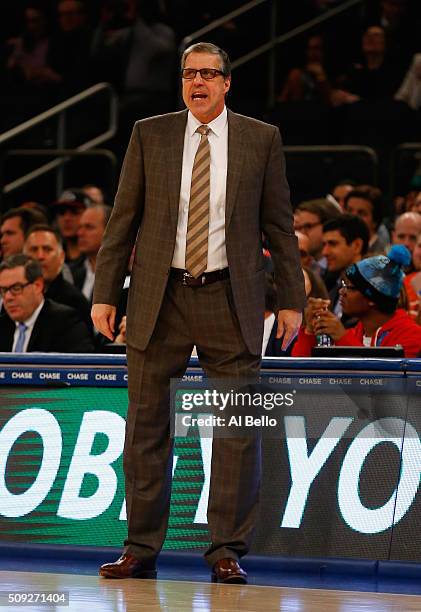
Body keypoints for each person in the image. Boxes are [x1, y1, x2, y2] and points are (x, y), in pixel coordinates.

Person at [92, 41, 305, 584]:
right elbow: (123, 219)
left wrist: (291, 300)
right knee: (144, 428)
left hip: (229, 296)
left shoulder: (261, 138)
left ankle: (226, 550)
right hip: (158, 295)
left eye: (209, 73)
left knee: (234, 430)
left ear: (227, 83)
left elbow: (280, 227)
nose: (198, 82)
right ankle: (140, 548)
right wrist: (105, 292)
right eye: (190, 73)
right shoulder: (151, 133)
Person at [292, 245, 421, 357]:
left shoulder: (411, 336)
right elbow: (298, 375)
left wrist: (342, 338)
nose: (341, 292)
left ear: (372, 298)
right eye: (343, 285)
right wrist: (308, 330)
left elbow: (380, 382)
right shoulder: (355, 333)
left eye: (349, 287)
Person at [0, 254, 94, 352]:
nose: (7, 297)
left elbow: (81, 364)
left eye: (16, 288)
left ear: (38, 286)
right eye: (3, 290)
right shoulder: (2, 325)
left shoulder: (66, 323)